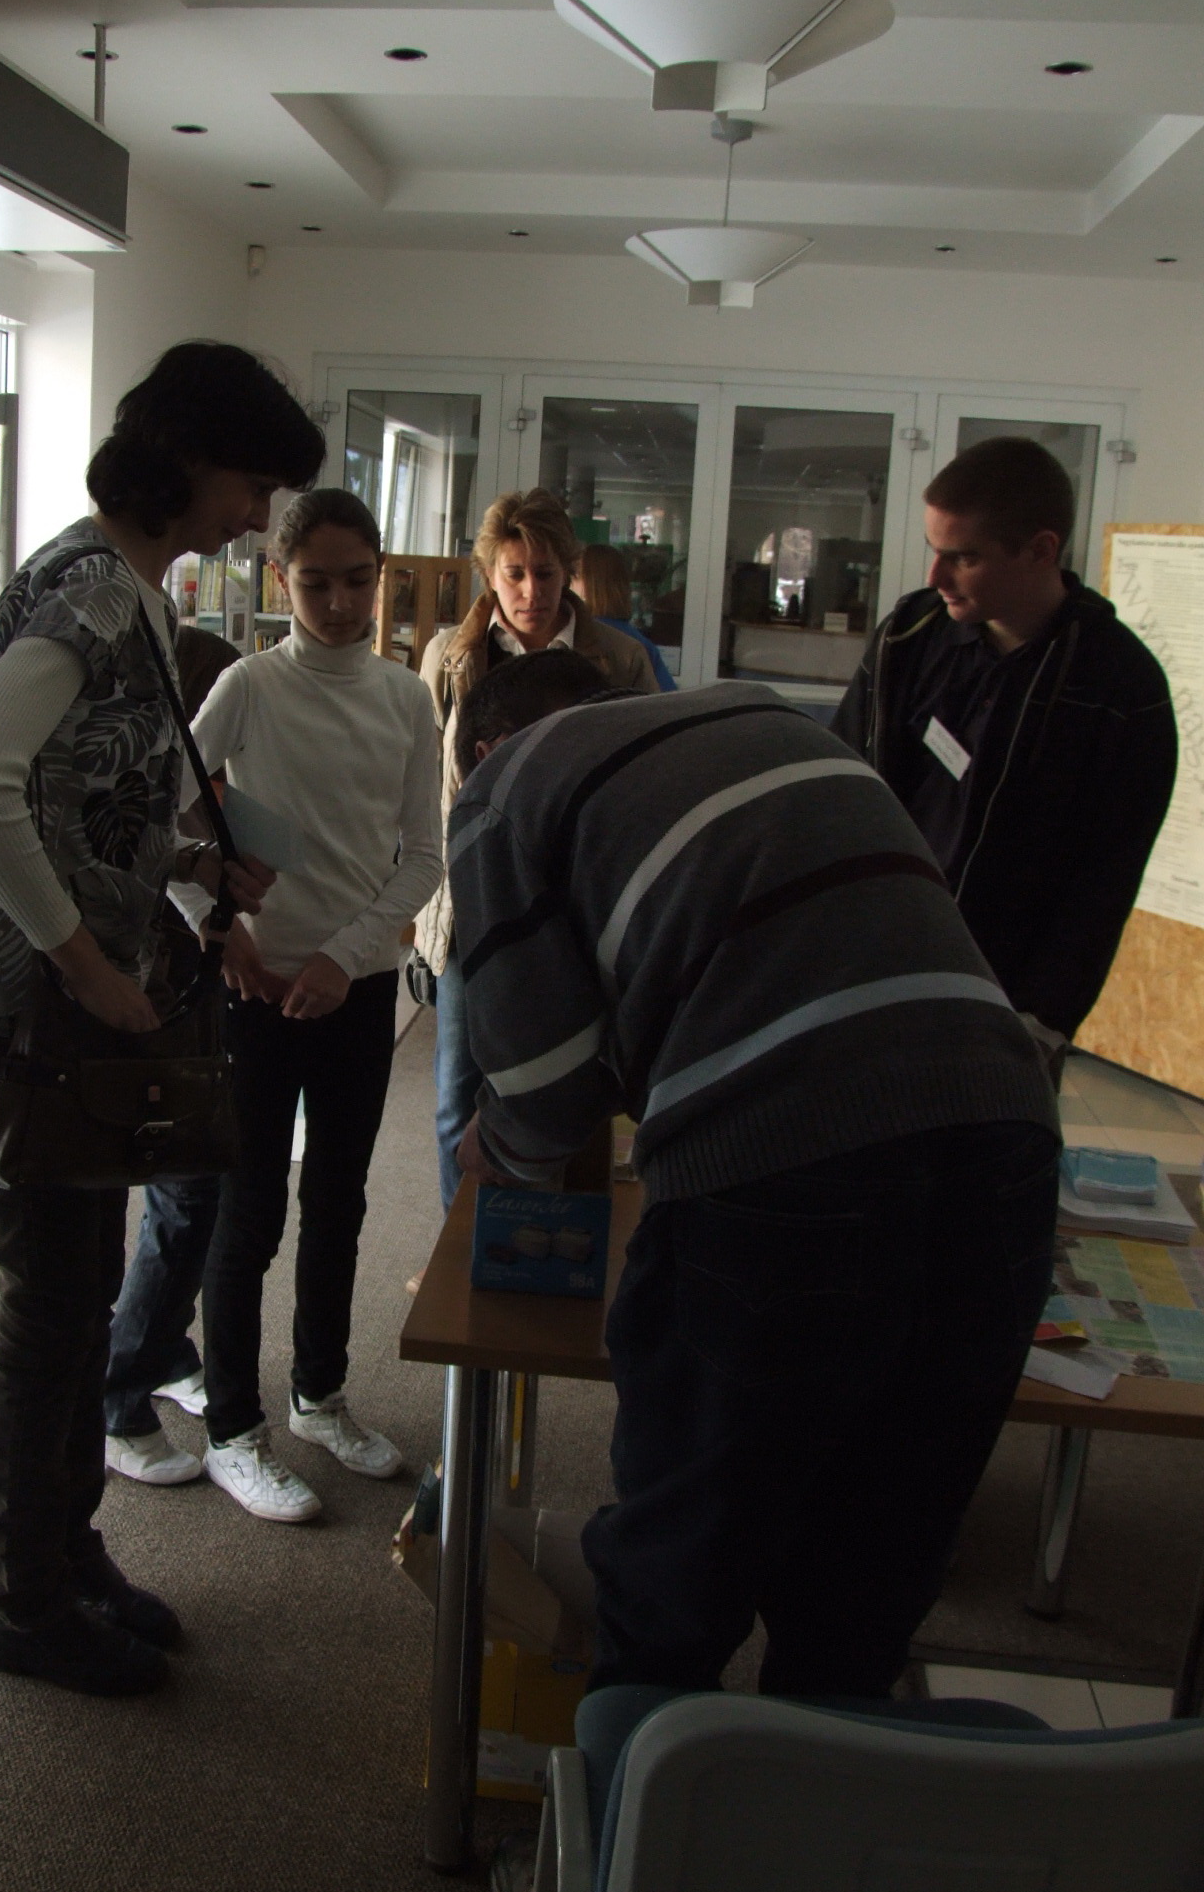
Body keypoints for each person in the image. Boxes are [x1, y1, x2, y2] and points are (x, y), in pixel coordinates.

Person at [448, 649, 1060, 1700]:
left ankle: (642, 1790)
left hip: (781, 1165)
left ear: (485, 748)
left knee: (681, 1570)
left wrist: (495, 1151)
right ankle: (811, 1784)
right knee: (869, 1576)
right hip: (1006, 1133)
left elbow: (544, 1093)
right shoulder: (759, 712)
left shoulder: (500, 790)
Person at [0, 341, 323, 1696]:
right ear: (187, 459)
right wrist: (85, 962)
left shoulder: (127, 586)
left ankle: (65, 1551)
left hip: (50, 1001)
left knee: (80, 1293)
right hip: (21, 1001)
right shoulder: (93, 594)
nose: (256, 516)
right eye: (252, 485)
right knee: (52, 1300)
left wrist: (195, 862)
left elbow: (79, 797)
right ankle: (25, 1605)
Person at [171, 487, 443, 1522]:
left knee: (339, 1200)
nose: (338, 603)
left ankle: (319, 1394)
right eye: (316, 582)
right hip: (252, 987)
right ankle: (233, 1428)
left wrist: (344, 955)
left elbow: (423, 854)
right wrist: (217, 928)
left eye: (357, 580)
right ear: (281, 579)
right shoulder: (248, 684)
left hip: (353, 990)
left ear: (381, 577)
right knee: (247, 1213)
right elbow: (164, 814)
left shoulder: (404, 697)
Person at [834, 435, 1176, 1074]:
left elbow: (1105, 877)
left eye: (963, 557)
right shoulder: (907, 639)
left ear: (1041, 550)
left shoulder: (1121, 687)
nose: (935, 578)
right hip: (875, 972)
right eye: (934, 550)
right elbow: (844, 793)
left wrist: (1043, 1023)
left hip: (1006, 1005)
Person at [414, 489, 657, 1222]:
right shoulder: (451, 657)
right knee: (459, 1090)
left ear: (569, 573)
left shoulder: (619, 658)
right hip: (470, 899)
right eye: (513, 574)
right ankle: (460, 1248)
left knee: (573, 1083)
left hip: (575, 902)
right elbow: (426, 780)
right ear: (490, 575)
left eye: (545, 573)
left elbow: (640, 781)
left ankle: (556, 1246)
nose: (530, 591)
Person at [103, 623, 242, 1484]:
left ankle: (162, 1350)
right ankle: (119, 1397)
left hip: (194, 990)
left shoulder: (194, 777)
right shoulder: (133, 787)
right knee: (189, 1192)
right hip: (142, 999)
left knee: (192, 1190)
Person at [572, 542, 677, 691]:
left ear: (589, 583)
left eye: (574, 576)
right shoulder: (640, 643)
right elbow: (668, 697)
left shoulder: (580, 636)